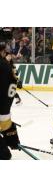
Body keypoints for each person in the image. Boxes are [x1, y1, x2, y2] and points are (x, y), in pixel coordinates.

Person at [0, 28, 21, 160]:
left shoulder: (4, 65)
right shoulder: (7, 66)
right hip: (5, 114)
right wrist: (12, 137)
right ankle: (10, 142)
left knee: (4, 155)